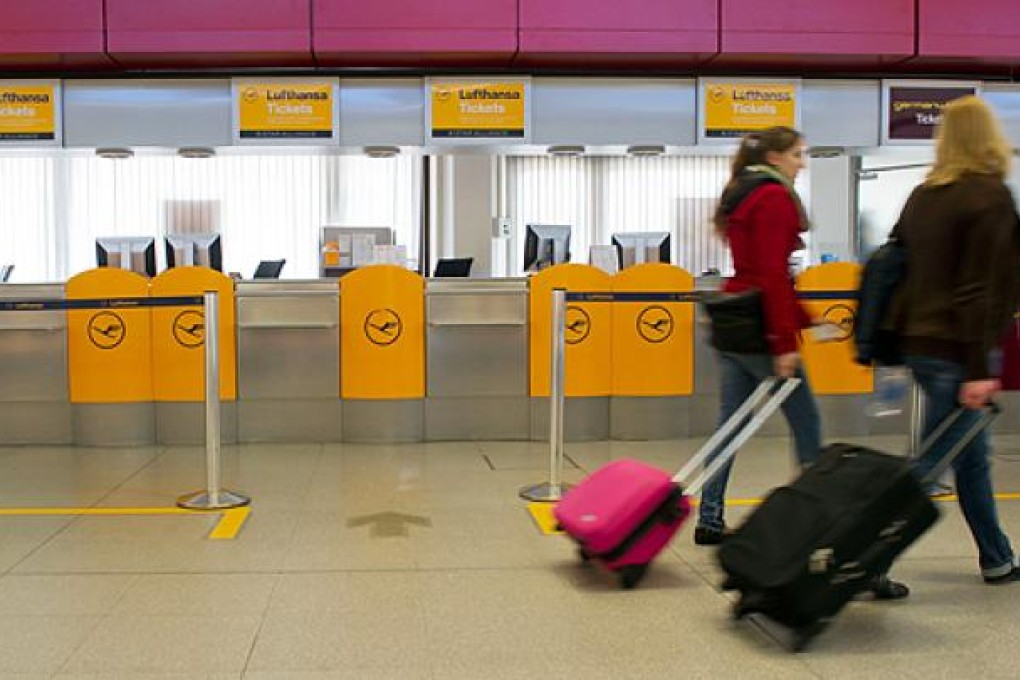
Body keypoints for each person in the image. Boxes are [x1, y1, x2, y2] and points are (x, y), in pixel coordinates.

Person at [889, 95, 1020, 585]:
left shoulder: (924, 195)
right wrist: (979, 367)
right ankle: (865, 561)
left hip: (919, 342)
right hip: (958, 348)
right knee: (930, 465)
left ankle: (996, 556)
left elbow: (900, 265)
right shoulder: (989, 195)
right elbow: (976, 290)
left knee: (970, 456)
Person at [696, 126, 821, 544]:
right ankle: (819, 523)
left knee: (730, 425)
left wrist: (808, 319)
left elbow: (757, 271)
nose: (801, 164)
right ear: (773, 157)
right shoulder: (773, 197)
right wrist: (786, 342)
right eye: (796, 155)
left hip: (735, 319)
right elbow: (772, 275)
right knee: (807, 425)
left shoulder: (743, 192)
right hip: (761, 329)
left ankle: (710, 518)